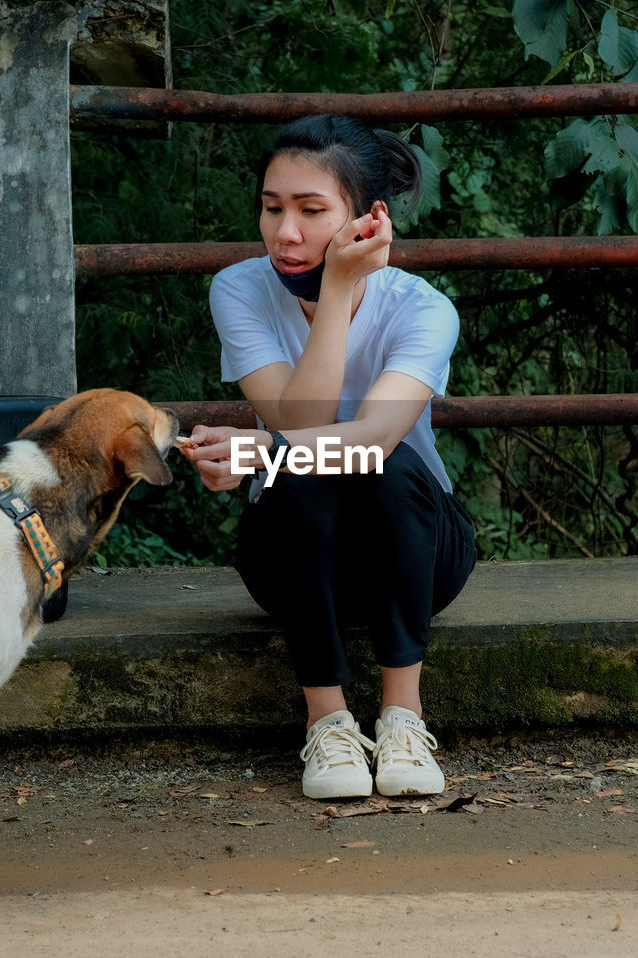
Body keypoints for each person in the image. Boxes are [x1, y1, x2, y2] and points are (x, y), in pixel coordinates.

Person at [180, 114, 476, 800]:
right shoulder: (239, 289)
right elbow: (302, 422)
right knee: (302, 470)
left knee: (385, 461)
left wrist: (257, 449)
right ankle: (329, 722)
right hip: (292, 551)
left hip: (416, 552)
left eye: (312, 211)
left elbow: (374, 437)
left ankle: (404, 716)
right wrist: (337, 289)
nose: (286, 232)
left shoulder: (424, 310)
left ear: (368, 220)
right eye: (272, 207)